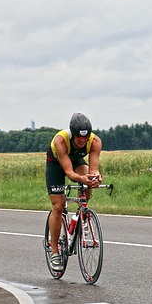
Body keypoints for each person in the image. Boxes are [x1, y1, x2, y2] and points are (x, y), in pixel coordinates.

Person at [45, 113, 102, 271]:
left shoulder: (95, 141)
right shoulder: (61, 140)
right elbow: (69, 173)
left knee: (88, 180)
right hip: (56, 164)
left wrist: (95, 178)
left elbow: (94, 169)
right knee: (58, 206)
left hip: (76, 160)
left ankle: (81, 214)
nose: (82, 141)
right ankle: (55, 252)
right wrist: (82, 179)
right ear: (73, 135)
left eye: (85, 137)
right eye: (79, 138)